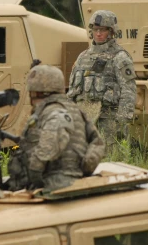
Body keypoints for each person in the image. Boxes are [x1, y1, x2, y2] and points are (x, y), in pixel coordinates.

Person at [8, 63, 105, 191]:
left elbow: (52, 141)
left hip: (54, 183)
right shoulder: (75, 110)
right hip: (66, 180)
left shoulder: (53, 111)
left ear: (36, 93)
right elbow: (97, 142)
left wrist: (35, 174)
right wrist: (85, 167)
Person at [68, 10, 136, 145]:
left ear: (111, 32)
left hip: (109, 122)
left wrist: (121, 122)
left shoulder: (120, 57)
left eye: (103, 30)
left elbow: (129, 91)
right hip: (84, 122)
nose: (98, 33)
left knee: (110, 161)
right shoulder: (82, 57)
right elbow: (72, 90)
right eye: (96, 29)